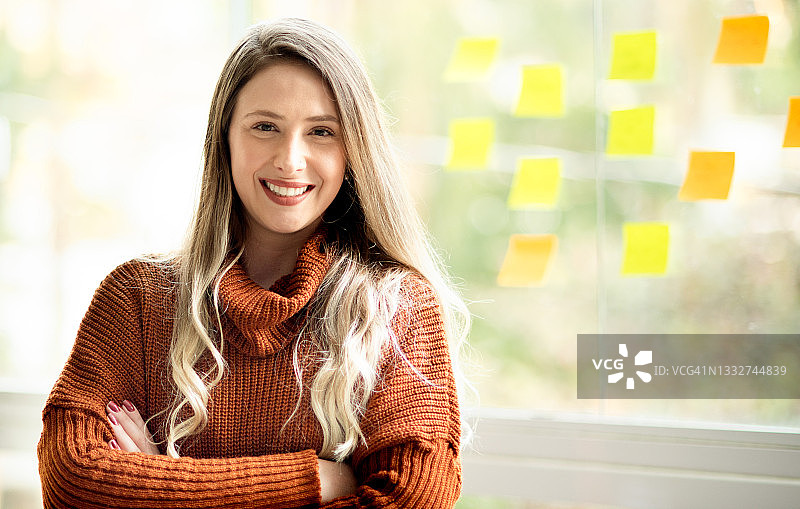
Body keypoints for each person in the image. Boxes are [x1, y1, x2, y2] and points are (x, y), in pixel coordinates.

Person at [37, 17, 470, 508]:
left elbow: (412, 498)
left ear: (354, 149)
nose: (290, 159)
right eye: (265, 127)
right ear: (224, 138)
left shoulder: (397, 307)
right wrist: (318, 479)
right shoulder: (137, 298)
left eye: (321, 132)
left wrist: (162, 484)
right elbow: (72, 483)